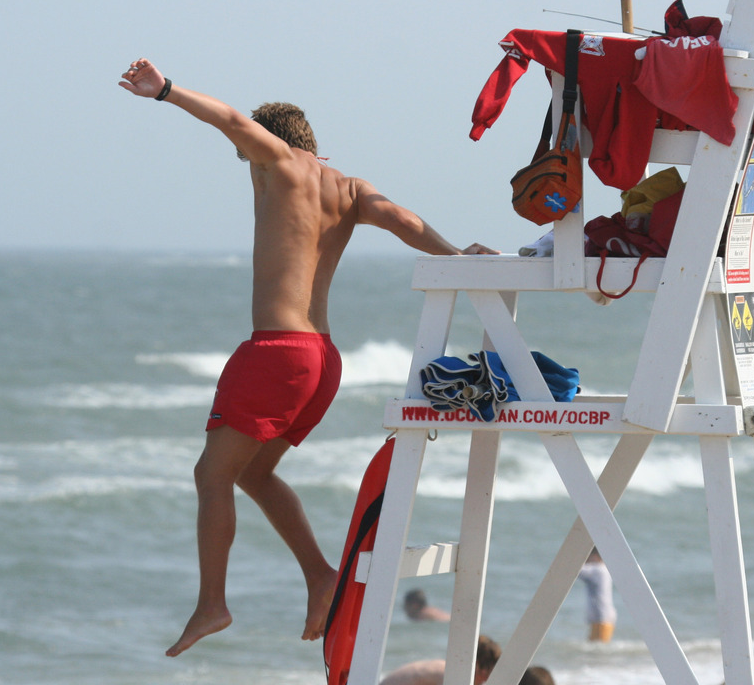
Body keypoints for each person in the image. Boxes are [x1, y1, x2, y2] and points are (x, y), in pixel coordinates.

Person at [119, 58, 498, 657]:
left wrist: (163, 90)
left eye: (250, 160)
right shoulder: (349, 187)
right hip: (323, 361)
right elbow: (401, 220)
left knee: (210, 475)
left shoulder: (277, 164)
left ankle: (211, 603)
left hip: (275, 352)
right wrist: (457, 255)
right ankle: (322, 575)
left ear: (268, 148)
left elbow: (229, 120)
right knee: (253, 473)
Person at [379, 634, 501, 685]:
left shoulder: (446, 668)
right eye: (491, 671)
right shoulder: (449, 674)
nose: (487, 679)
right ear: (477, 665)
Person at [577, 548, 616, 642]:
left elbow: (576, 570)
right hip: (603, 616)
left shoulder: (598, 569)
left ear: (595, 556)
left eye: (588, 557)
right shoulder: (604, 569)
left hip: (601, 617)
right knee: (596, 646)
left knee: (598, 648)